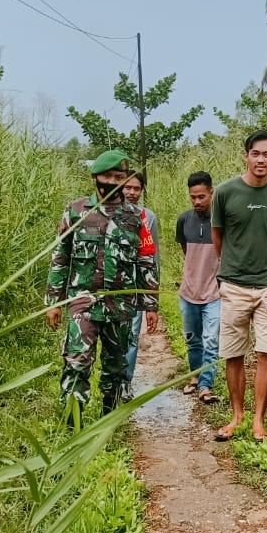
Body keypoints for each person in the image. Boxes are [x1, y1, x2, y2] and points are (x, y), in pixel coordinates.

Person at [45, 149, 158, 417]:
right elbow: (60, 256)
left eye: (119, 176)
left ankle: (109, 417)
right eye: (108, 175)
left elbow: (146, 261)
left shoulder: (134, 217)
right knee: (77, 362)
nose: (114, 181)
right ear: (95, 177)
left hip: (120, 306)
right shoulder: (76, 211)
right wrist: (53, 301)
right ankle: (73, 423)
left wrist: (151, 304)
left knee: (116, 366)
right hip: (82, 302)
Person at [211, 130, 267, 441]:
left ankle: (259, 420)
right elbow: (217, 235)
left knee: (266, 351)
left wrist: (263, 250)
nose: (261, 159)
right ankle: (237, 416)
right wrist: (231, 264)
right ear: (246, 155)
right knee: (233, 353)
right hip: (233, 284)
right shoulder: (225, 192)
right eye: (255, 153)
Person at [175, 171, 220, 403]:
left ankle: (205, 385)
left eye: (201, 196)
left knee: (211, 340)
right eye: (193, 197)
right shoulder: (184, 220)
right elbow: (187, 252)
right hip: (189, 291)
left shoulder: (222, 221)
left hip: (214, 293)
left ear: (211, 193)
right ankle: (195, 377)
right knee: (193, 338)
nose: (197, 202)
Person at [122, 170, 160, 399]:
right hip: (109, 288)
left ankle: (125, 382)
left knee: (131, 336)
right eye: (128, 188)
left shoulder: (148, 217)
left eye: (136, 188)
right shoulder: (105, 213)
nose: (132, 193)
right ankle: (111, 382)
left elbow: (152, 259)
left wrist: (151, 302)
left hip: (134, 288)